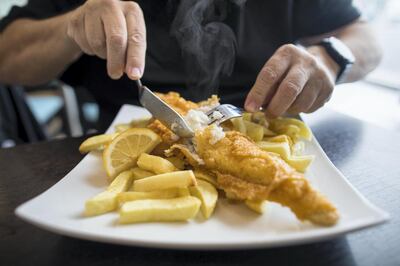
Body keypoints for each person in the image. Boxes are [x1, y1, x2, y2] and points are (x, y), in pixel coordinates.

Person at [0, 0, 381, 130]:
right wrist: (71, 26)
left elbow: (364, 37)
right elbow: (6, 58)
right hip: (125, 134)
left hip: (271, 128)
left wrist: (329, 58)